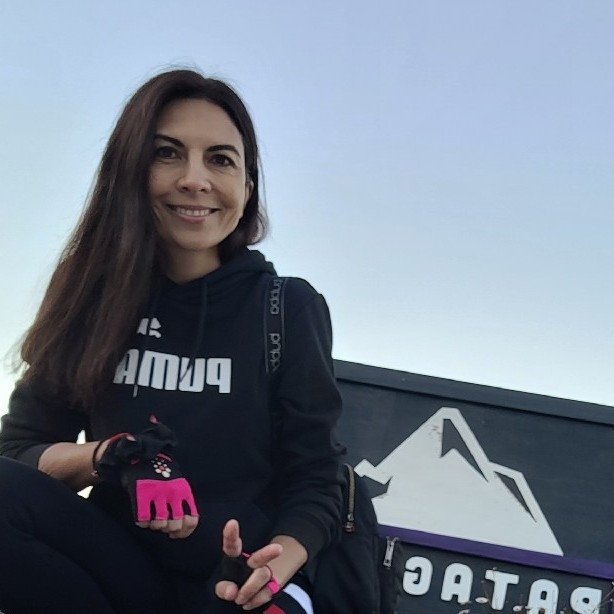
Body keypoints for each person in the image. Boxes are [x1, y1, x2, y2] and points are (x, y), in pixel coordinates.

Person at [0, 69, 344, 614]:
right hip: (116, 574)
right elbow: (17, 454)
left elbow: (318, 480)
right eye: (167, 154)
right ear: (129, 172)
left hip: (237, 580)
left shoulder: (286, 307)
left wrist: (273, 567)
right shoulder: (91, 298)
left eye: (220, 160)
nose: (194, 179)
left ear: (247, 188)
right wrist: (111, 455)